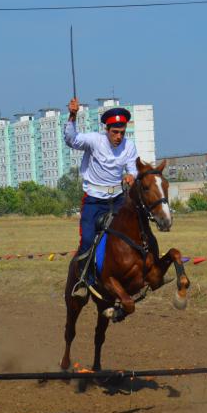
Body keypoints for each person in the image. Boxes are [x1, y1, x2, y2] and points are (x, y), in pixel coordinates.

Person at [64, 98, 138, 297]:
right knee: (87, 241)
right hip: (94, 201)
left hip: (119, 201)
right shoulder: (94, 141)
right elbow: (72, 140)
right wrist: (72, 116)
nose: (118, 137)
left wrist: (132, 175)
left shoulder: (129, 147)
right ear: (107, 129)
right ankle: (83, 281)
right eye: (115, 132)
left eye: (122, 132)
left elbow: (133, 168)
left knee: (136, 233)